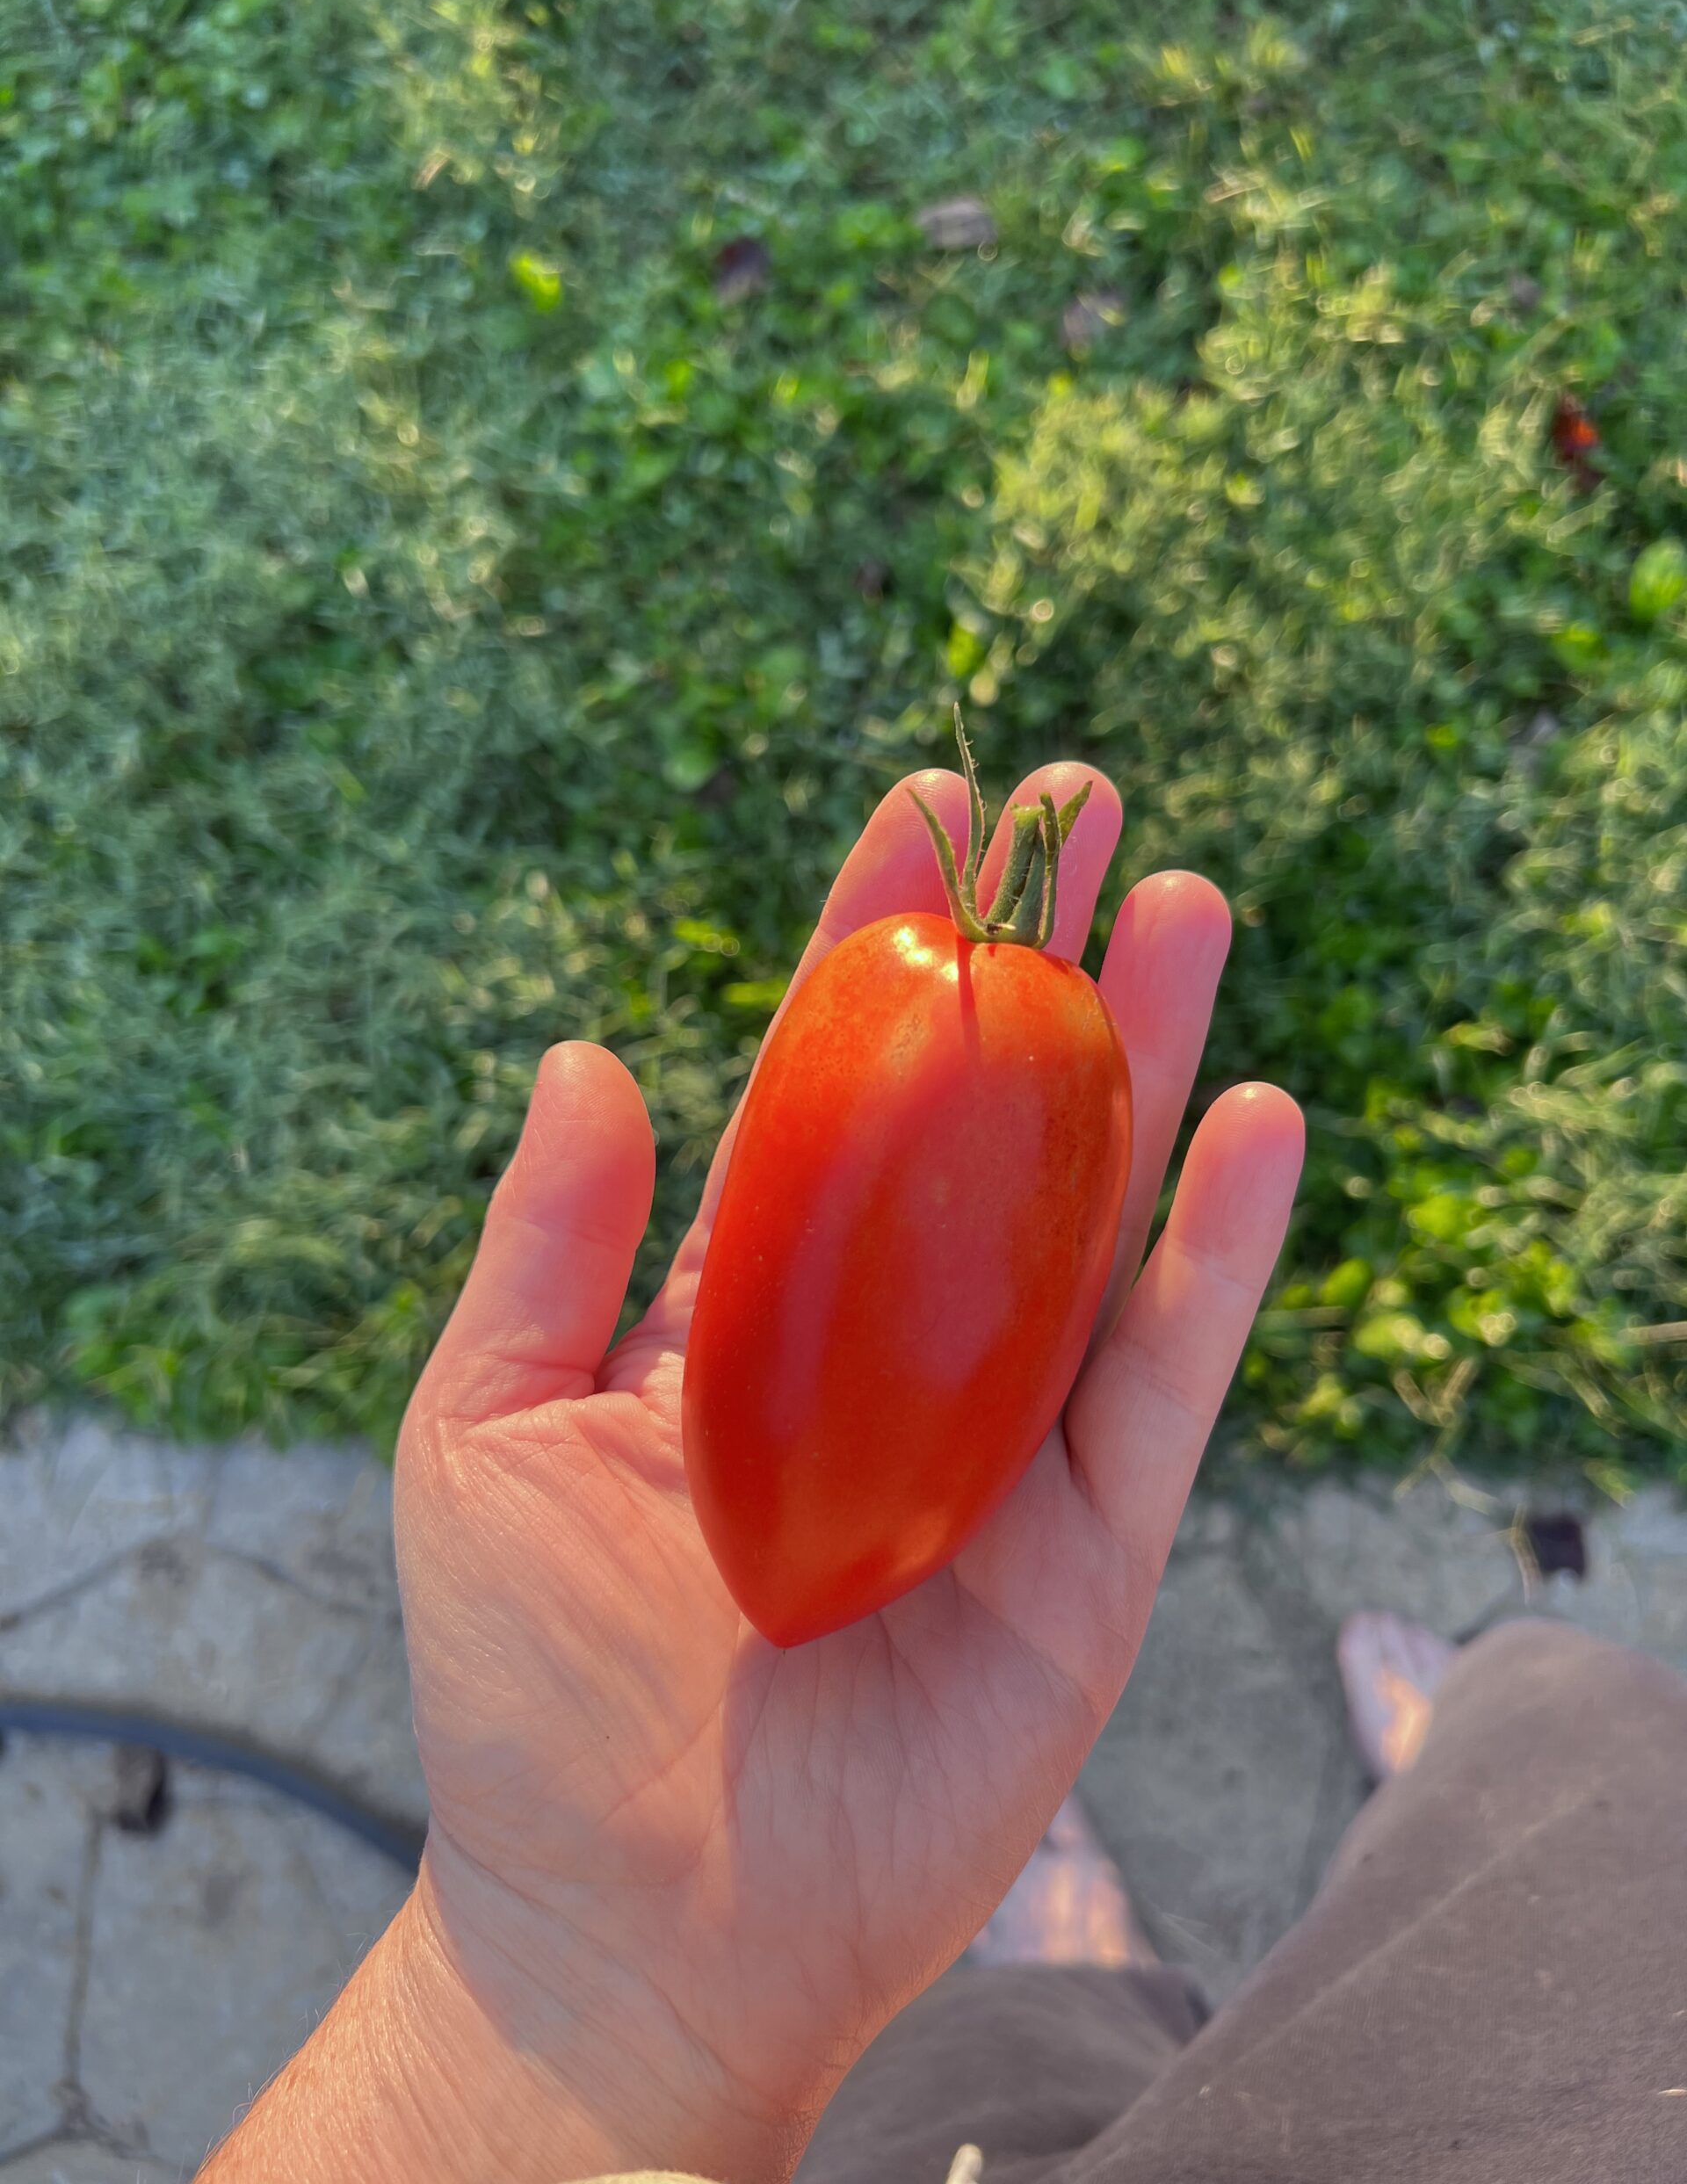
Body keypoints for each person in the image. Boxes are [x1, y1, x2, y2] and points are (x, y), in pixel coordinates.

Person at [199, 754, 1687, 2184]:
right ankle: (1454, 1775)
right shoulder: (954, 1019)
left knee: (1020, 2072)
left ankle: (1082, 1975)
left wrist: (559, 1987)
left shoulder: (909, 1004)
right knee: (1579, 1754)